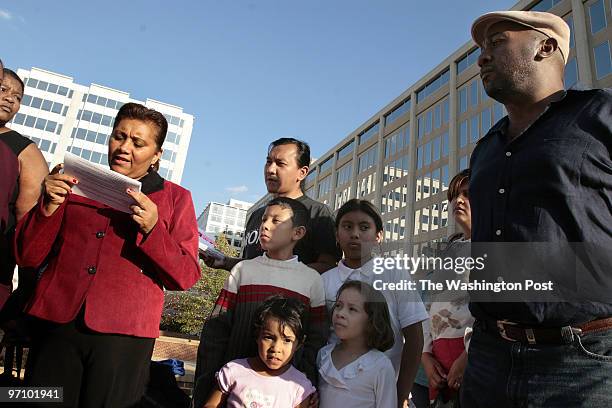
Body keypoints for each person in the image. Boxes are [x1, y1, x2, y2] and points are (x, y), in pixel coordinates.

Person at [462, 10, 612, 407]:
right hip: (488, 356)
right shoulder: (484, 150)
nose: (482, 58)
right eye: (482, 48)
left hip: (584, 364)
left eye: (497, 43)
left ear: (545, 47)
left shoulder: (601, 115)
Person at [14, 102, 201, 406]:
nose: (124, 147)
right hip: (56, 324)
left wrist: (154, 230)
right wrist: (47, 206)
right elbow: (28, 255)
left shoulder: (176, 199)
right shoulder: (71, 180)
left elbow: (186, 275)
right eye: (119, 137)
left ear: (157, 155)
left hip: (124, 336)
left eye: (138, 143)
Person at [193, 197, 328, 408]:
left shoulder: (312, 280)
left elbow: (316, 341)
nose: (264, 225)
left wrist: (306, 383)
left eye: (276, 221)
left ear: (298, 233)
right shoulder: (243, 270)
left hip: (284, 393)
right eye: (264, 219)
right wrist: (207, 381)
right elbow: (216, 330)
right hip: (235, 390)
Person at [322, 199, 428, 407]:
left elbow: (415, 337)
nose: (355, 234)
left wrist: (400, 396)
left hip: (386, 393)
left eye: (364, 227)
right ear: (336, 234)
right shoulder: (325, 280)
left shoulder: (394, 273)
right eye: (347, 226)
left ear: (379, 236)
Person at [202, 137, 340, 273]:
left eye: (280, 163)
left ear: (302, 172)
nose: (270, 169)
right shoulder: (257, 215)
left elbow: (328, 266)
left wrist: (279, 275)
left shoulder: (318, 213)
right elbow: (253, 264)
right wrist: (225, 261)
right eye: (268, 162)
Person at [421, 169, 474, 407]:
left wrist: (467, 356)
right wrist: (425, 355)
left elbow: (493, 312)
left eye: (467, 194)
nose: (458, 200)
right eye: (454, 195)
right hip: (438, 361)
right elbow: (428, 306)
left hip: (474, 357)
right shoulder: (448, 252)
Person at [203, 296, 316, 408]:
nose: (276, 348)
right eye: (269, 337)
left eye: (287, 340)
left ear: (299, 344)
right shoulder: (233, 370)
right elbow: (211, 404)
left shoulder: (300, 386)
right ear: (257, 335)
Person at [0, 68, 47, 310]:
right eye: (3, 90)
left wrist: (26, 294)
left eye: (17, 97)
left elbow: (31, 228)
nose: (10, 98)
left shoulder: (25, 151)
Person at [318, 280, 397, 407]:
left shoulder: (380, 366)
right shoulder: (323, 356)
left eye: (352, 309)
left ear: (371, 320)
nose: (340, 313)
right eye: (338, 305)